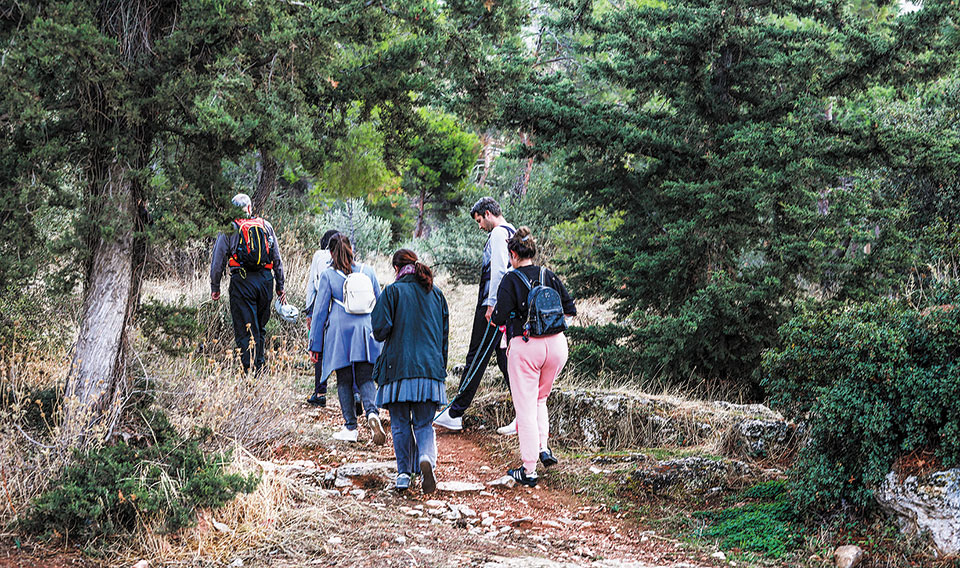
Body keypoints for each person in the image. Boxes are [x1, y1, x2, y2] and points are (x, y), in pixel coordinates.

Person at [491, 227, 576, 487]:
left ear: (514, 254)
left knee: (525, 407)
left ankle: (528, 470)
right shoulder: (547, 274)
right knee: (541, 398)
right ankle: (543, 448)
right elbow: (570, 310)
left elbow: (498, 317)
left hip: (526, 346)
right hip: (557, 346)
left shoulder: (511, 279)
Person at [433, 197, 516, 433]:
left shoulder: (499, 234)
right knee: (505, 360)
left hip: (493, 308)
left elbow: (499, 270)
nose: (480, 226)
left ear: (488, 213)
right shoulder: (512, 232)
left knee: (476, 355)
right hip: (507, 308)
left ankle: (456, 412)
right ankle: (524, 414)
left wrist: (491, 305)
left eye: (480, 220)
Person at [371, 249, 449, 493]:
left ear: (396, 269)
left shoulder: (392, 291)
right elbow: (443, 336)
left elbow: (379, 331)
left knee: (400, 423)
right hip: (429, 369)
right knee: (424, 424)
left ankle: (404, 474)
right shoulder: (436, 293)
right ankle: (426, 457)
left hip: (398, 369)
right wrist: (439, 368)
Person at [309, 235, 385, 443]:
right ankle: (372, 413)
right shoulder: (367, 271)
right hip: (365, 329)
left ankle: (350, 428)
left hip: (340, 331)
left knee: (344, 378)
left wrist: (315, 344)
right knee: (366, 375)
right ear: (351, 249)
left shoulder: (328, 275)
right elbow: (380, 303)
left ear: (331, 253)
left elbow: (320, 312)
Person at [210, 193, 286, 373]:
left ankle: (249, 370)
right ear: (250, 208)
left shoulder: (229, 228)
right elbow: (277, 259)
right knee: (260, 327)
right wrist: (280, 286)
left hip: (242, 281)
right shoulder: (266, 226)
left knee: (245, 327)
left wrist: (215, 287)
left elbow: (217, 261)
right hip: (266, 281)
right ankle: (260, 365)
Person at [305, 229, 339, 407]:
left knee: (320, 348)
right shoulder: (347, 257)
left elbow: (312, 284)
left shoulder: (319, 256)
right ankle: (354, 392)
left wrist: (308, 311)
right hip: (342, 306)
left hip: (322, 304)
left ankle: (320, 391)